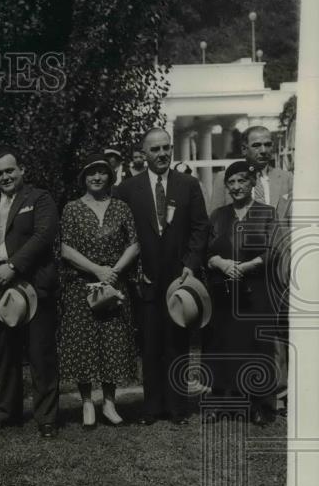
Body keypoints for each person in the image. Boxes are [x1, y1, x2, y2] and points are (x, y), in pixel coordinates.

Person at [114, 127, 209, 425]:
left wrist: (191, 264)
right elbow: (122, 236)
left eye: (166, 148)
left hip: (179, 277)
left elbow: (200, 228)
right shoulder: (129, 189)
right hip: (146, 278)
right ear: (144, 154)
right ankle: (152, 407)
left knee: (178, 341)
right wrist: (134, 271)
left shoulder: (188, 185)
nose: (162, 154)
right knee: (151, 344)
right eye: (155, 150)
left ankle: (178, 406)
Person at [0, 150, 60, 438]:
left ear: (22, 170)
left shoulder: (39, 199)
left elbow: (43, 235)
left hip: (33, 285)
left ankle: (46, 418)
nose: (5, 177)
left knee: (40, 354)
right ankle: (7, 413)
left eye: (10, 171)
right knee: (5, 354)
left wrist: (13, 266)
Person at [208, 125, 293, 417]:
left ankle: (266, 402)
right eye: (231, 182)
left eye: (242, 181)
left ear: (251, 181)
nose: (236, 186)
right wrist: (219, 263)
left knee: (263, 343)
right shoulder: (220, 209)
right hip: (228, 286)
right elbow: (209, 243)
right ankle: (231, 402)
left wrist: (248, 265)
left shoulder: (273, 202)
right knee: (229, 343)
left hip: (263, 281)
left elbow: (277, 245)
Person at [58, 153, 141, 429]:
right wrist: (97, 270)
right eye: (91, 173)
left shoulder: (121, 207)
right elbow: (66, 249)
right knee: (83, 345)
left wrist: (113, 271)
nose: (97, 177)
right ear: (83, 177)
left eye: (102, 172)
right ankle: (86, 404)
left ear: (110, 176)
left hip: (114, 286)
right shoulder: (71, 208)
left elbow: (133, 244)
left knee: (112, 343)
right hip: (81, 286)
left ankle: (109, 403)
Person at [209, 126, 292, 218]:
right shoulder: (224, 178)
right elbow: (214, 220)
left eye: (267, 145)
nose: (263, 151)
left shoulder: (287, 178)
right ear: (244, 149)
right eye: (256, 145)